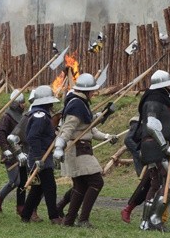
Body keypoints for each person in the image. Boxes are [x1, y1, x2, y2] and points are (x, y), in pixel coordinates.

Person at [53, 73, 117, 228]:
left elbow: (89, 127)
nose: (94, 94)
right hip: (77, 149)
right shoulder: (76, 105)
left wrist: (107, 134)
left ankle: (69, 221)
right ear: (87, 91)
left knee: (80, 186)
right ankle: (82, 220)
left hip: (81, 147)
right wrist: (58, 147)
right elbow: (67, 128)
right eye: (93, 91)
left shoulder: (81, 103)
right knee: (96, 181)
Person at [137, 70, 170, 231]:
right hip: (156, 147)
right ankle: (154, 218)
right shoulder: (153, 101)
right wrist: (165, 147)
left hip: (156, 147)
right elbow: (152, 125)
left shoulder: (161, 102)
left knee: (160, 184)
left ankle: (148, 221)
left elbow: (167, 126)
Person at [20, 85, 62, 225]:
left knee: (38, 188)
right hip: (39, 156)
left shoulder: (43, 115)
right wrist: (38, 158)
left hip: (43, 155)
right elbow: (33, 137)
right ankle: (54, 217)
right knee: (50, 186)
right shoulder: (40, 116)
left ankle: (25, 215)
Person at [0, 90, 28, 214]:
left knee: (22, 182)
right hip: (11, 154)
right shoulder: (7, 117)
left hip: (21, 153)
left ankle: (21, 207)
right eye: (22, 103)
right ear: (16, 104)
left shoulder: (22, 117)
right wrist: (6, 149)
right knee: (15, 181)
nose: (24, 105)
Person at [121, 116, 147, 223]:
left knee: (155, 187)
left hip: (155, 155)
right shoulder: (137, 123)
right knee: (147, 187)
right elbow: (128, 139)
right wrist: (139, 153)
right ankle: (128, 209)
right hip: (144, 160)